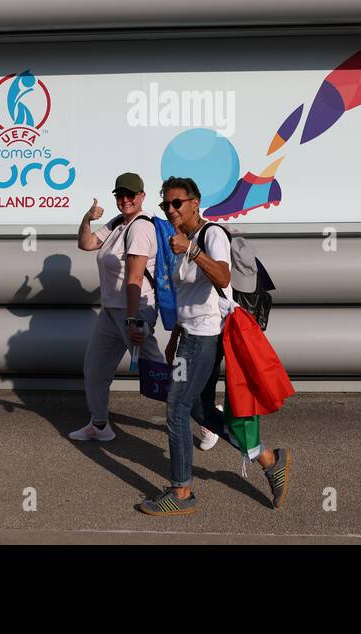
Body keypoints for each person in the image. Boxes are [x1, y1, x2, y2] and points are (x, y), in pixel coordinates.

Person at [135, 176, 291, 515]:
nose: (171, 209)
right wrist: (174, 337)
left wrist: (190, 250)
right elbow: (187, 296)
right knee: (198, 410)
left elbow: (223, 277)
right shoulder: (182, 241)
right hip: (188, 336)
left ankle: (182, 492)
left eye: (177, 202)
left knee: (176, 408)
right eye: (166, 205)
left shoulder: (211, 235)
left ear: (195, 202)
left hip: (205, 338)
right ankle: (268, 459)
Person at [68, 171, 165, 442]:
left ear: (142, 196)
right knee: (96, 369)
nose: (125, 200)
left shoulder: (140, 227)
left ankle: (205, 419)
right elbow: (86, 244)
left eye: (131, 195)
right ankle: (99, 425)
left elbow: (135, 277)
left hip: (133, 312)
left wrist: (133, 320)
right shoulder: (116, 224)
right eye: (120, 195)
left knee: (157, 375)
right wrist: (87, 219)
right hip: (111, 311)